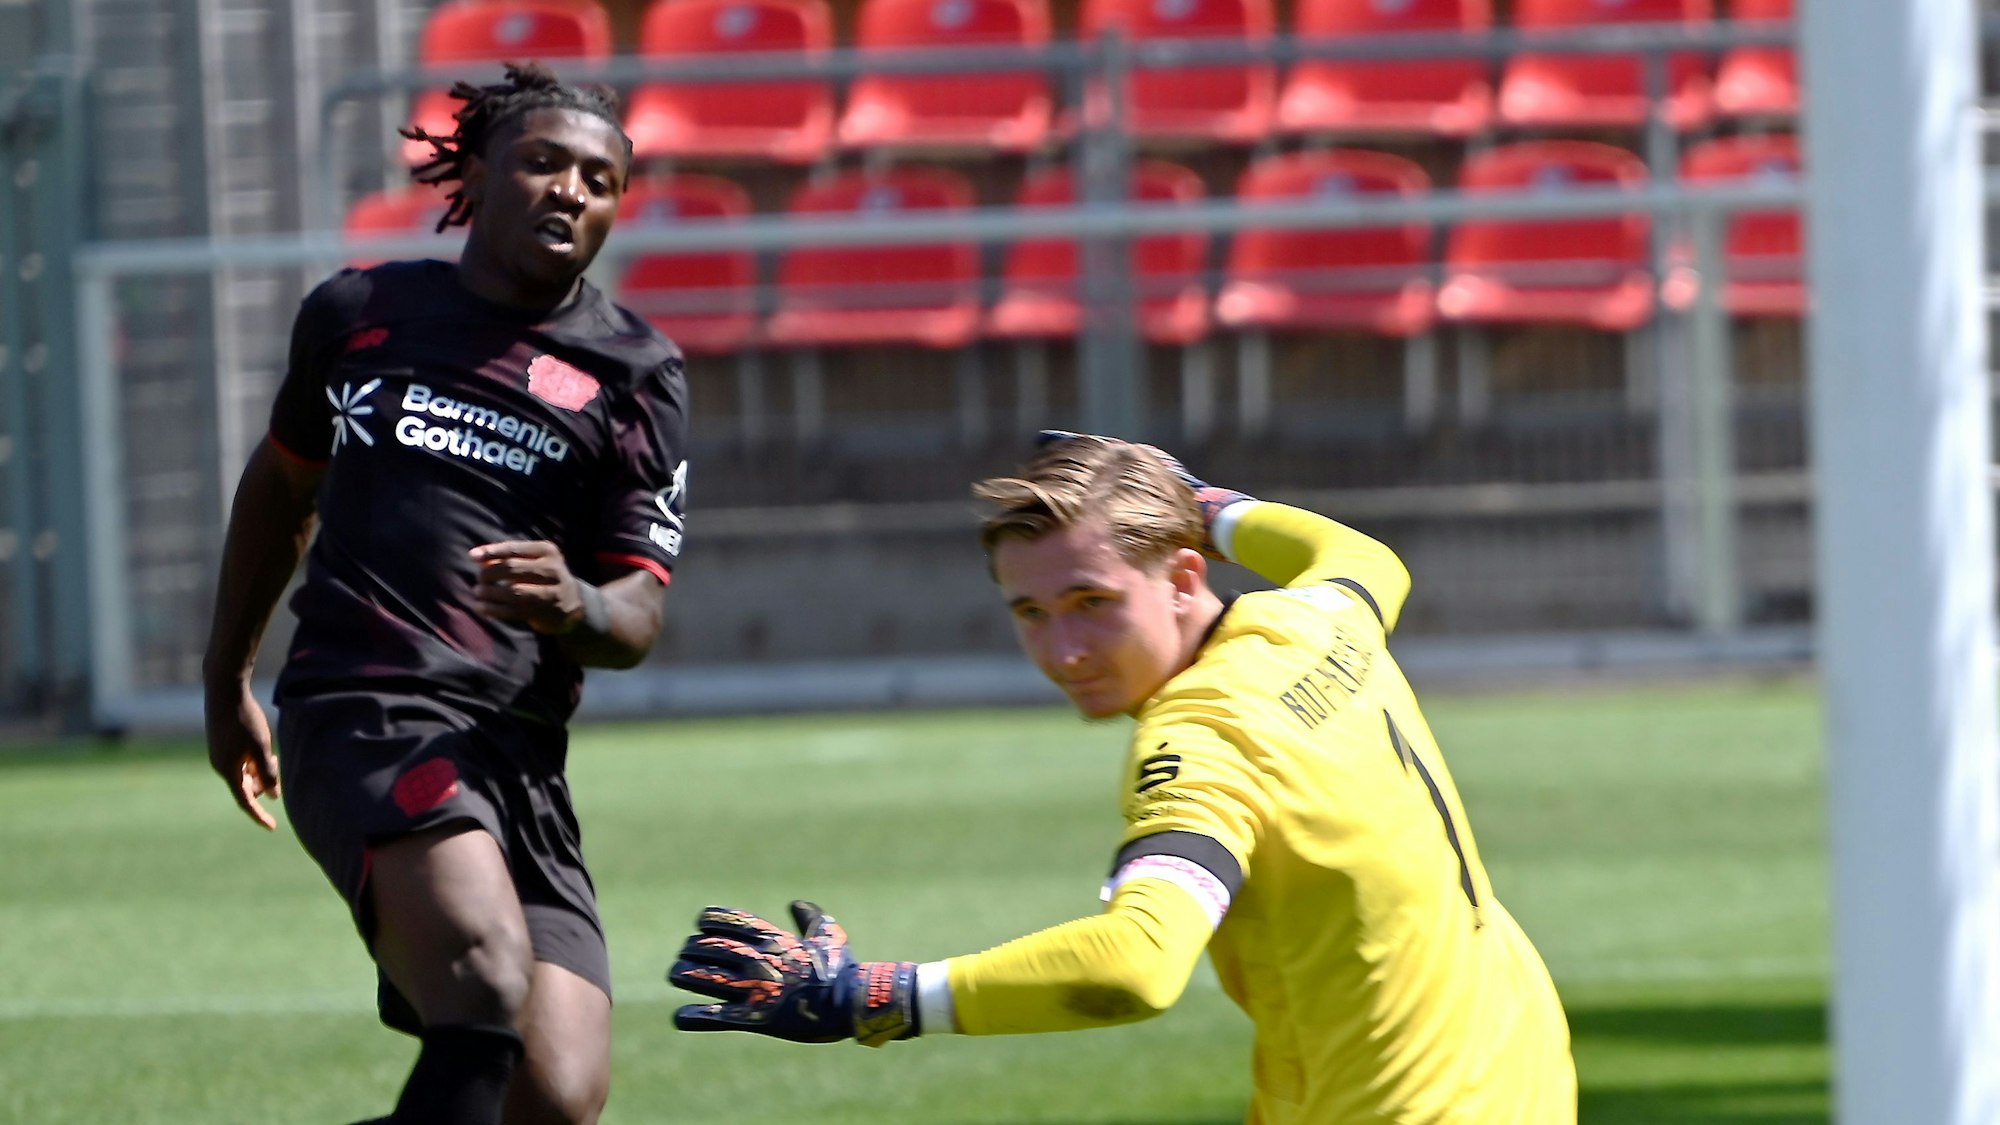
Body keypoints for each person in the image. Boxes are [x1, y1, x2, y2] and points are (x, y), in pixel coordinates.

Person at [665, 434, 1575, 1123]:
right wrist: (1199, 498)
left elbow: (1137, 966)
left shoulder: (1203, 739)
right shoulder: (1309, 624)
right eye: (1032, 612)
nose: (1064, 649)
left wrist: (877, 996)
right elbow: (1365, 559)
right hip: (1518, 1072)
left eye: (1094, 603)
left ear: (1183, 577)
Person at [202, 62, 688, 1125]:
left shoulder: (636, 374)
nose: (571, 190)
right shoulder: (359, 311)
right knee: (479, 982)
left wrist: (577, 605)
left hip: (516, 754)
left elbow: (637, 617)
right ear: (475, 170)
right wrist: (225, 674)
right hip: (365, 711)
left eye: (599, 180)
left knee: (550, 1099)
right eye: (544, 162)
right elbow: (284, 482)